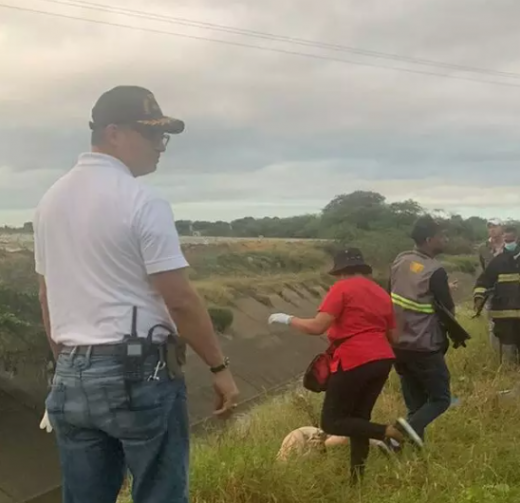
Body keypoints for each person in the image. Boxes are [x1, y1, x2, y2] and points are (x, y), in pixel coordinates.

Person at [33, 86, 239, 503]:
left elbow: (46, 296)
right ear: (113, 133)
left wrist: (72, 368)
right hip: (138, 372)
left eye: (162, 137)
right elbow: (179, 298)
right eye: (151, 135)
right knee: (160, 494)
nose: (160, 147)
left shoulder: (49, 202)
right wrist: (220, 367)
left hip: (71, 371)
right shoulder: (142, 200)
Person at [268, 249, 416, 482]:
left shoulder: (341, 288)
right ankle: (357, 480)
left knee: (332, 421)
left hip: (354, 359)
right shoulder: (380, 292)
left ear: (341, 271)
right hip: (382, 360)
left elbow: (317, 326)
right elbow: (394, 337)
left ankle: (390, 432)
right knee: (359, 420)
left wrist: (288, 319)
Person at [388, 216, 459, 444]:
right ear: (429, 240)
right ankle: (398, 433)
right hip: (425, 346)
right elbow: (447, 311)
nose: (445, 240)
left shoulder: (399, 260)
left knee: (415, 404)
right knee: (440, 399)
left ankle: (408, 452)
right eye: (442, 236)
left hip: (398, 344)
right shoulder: (435, 270)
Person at [473, 225, 520, 366]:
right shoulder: (497, 262)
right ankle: (510, 380)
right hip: (504, 316)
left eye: (511, 239)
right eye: (506, 240)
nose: (509, 243)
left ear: (517, 238)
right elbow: (483, 281)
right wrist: (478, 298)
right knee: (507, 353)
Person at [478, 220, 505, 351]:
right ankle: (495, 352)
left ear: (502, 228)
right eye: (489, 227)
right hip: (491, 290)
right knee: (492, 323)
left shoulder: (509, 245)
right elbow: (483, 269)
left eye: (495, 226)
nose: (492, 229)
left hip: (508, 288)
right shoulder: (483, 247)